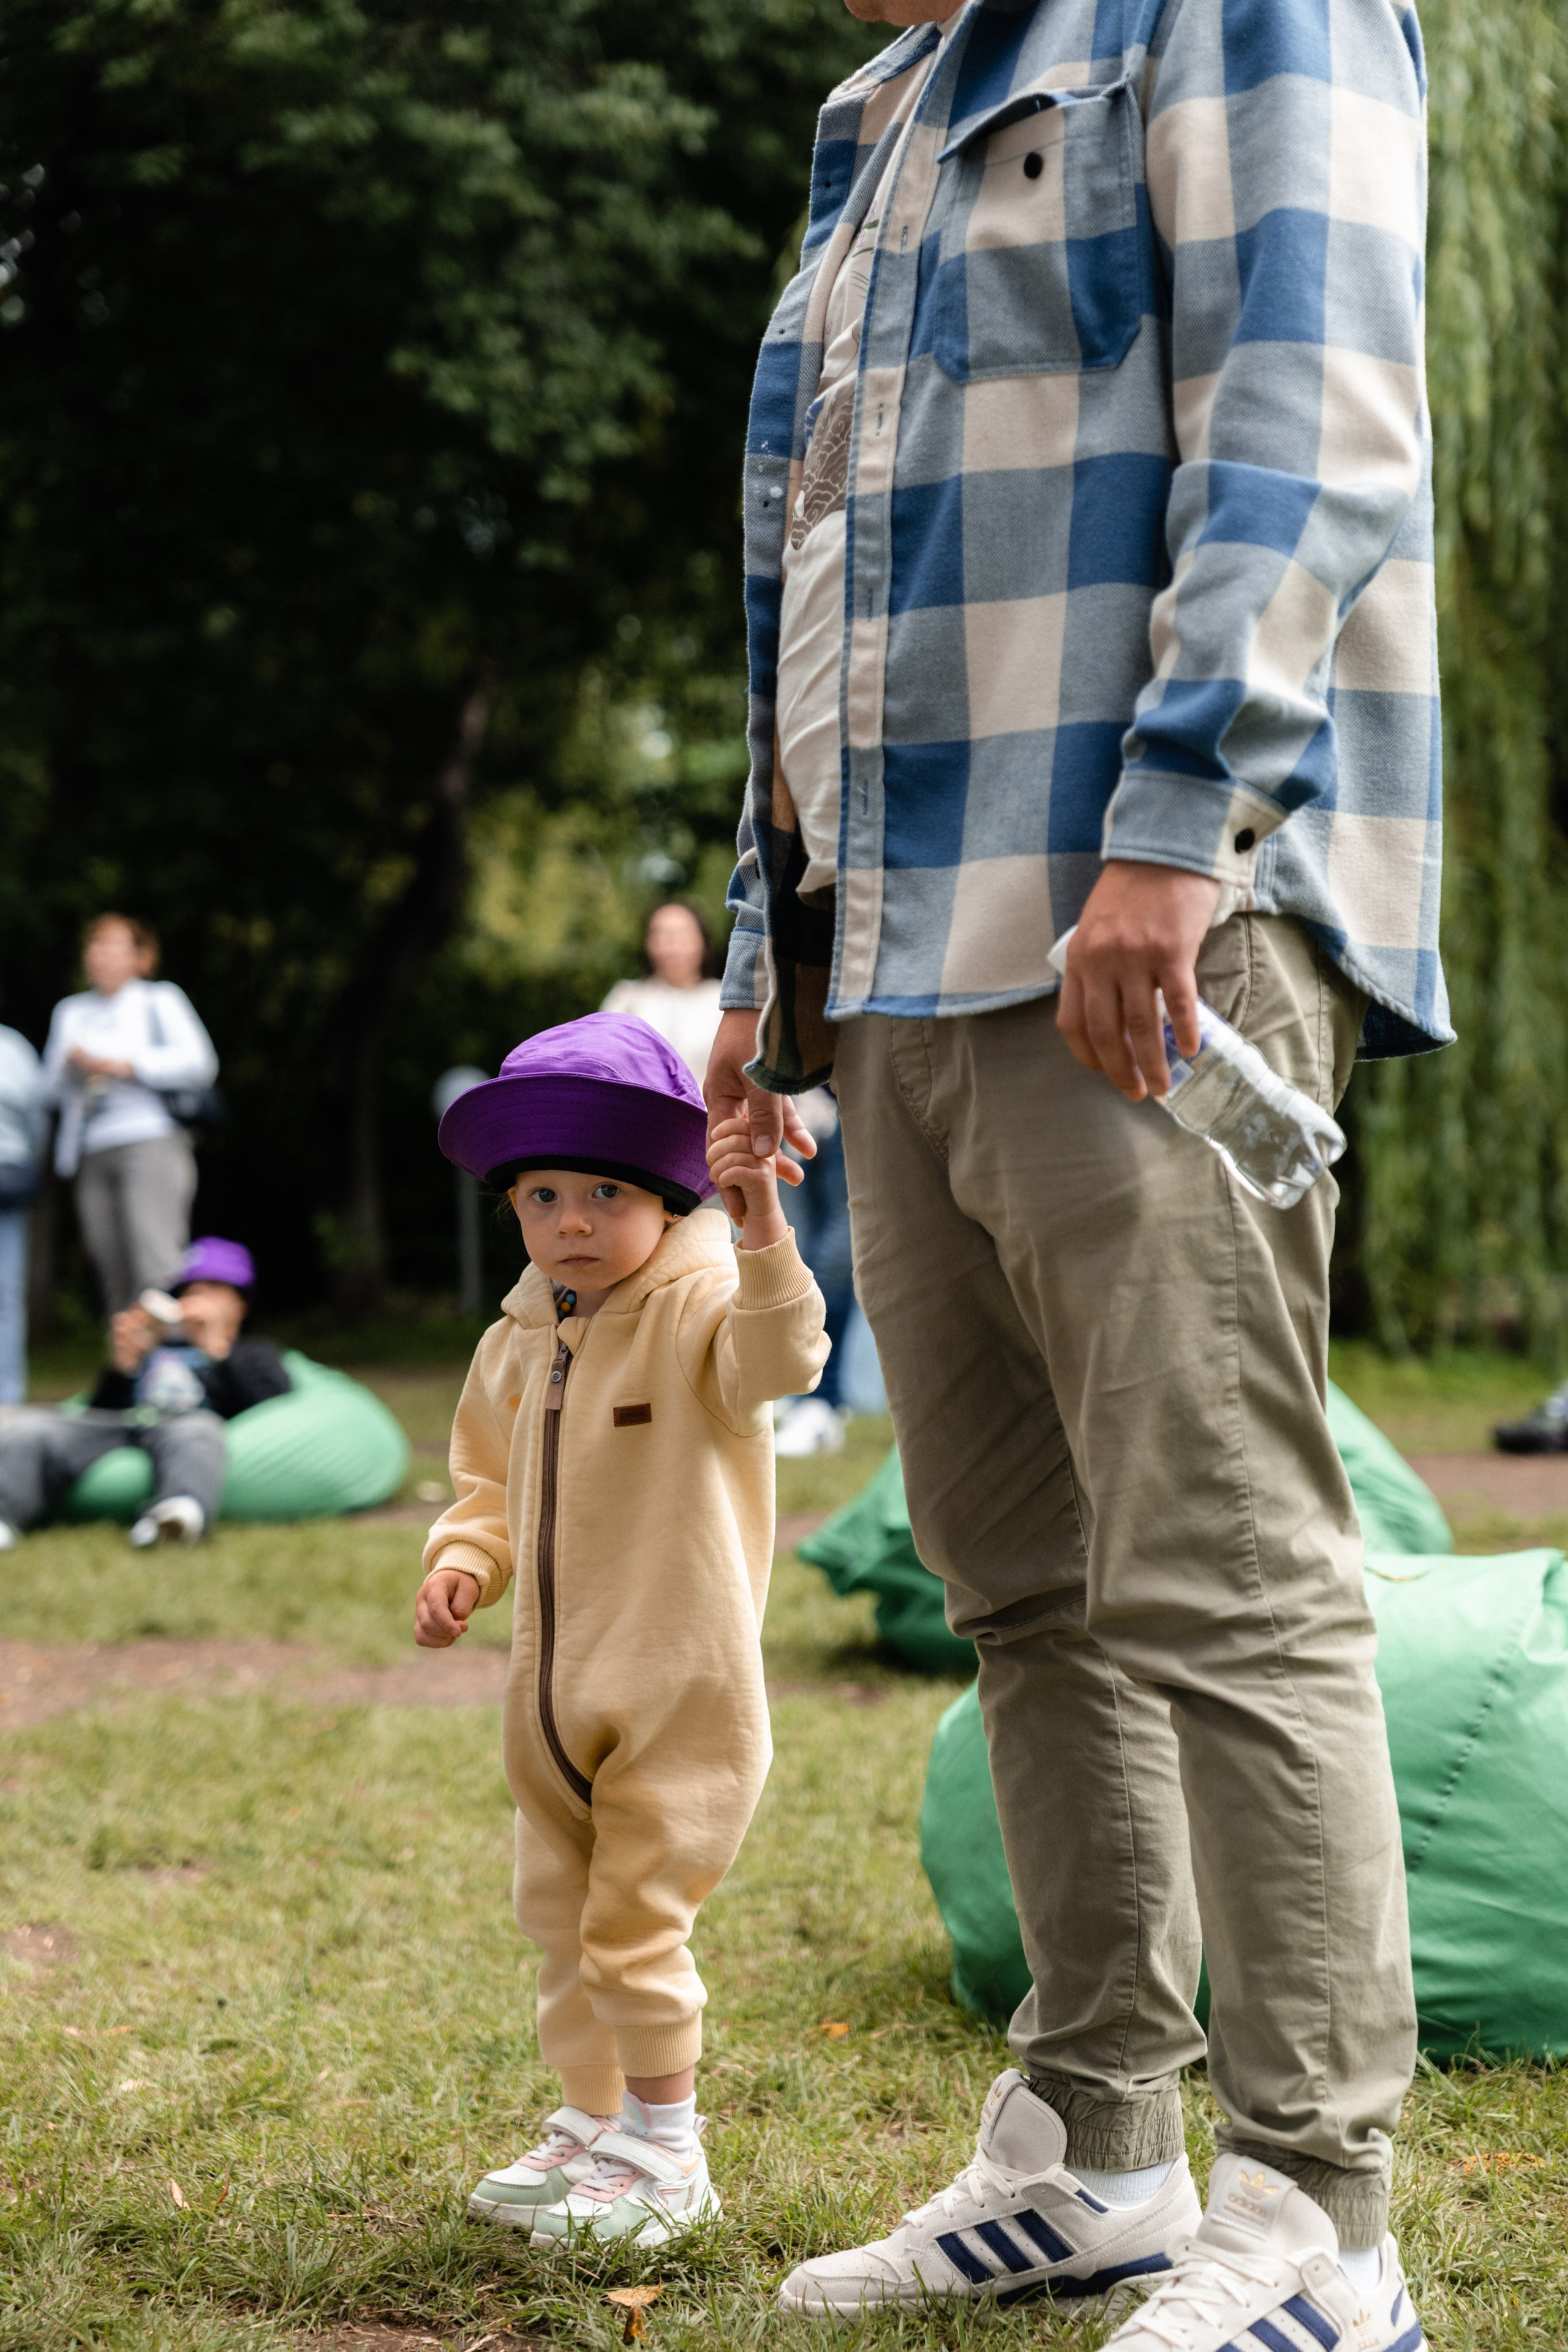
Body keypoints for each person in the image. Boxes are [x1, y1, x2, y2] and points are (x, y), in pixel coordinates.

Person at [706, 0, 1444, 2339]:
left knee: (1215, 1570)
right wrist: (770, 941)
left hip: (1144, 919)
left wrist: (1174, 831)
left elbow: (1307, 420)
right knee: (1011, 1580)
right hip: (904, 963)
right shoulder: (877, 117)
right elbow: (819, 565)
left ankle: (1322, 2221)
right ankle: (1094, 2139)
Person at [415, 1012, 827, 2248]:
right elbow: (485, 1488)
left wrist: (757, 1230)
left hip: (675, 1689)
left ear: (667, 1196)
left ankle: (669, 2149)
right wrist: (459, 1562)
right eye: (542, 1197)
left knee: (637, 1923)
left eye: (604, 1192)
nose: (573, 1223)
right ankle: (594, 2128)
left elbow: (784, 1357)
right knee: (560, 1920)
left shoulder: (702, 1305)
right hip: (547, 1698)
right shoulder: (514, 1339)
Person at [0, 1236, 288, 1551]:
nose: (200, 1296)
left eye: (215, 1288)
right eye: (192, 1290)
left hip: (183, 1425)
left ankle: (177, 1514)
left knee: (200, 1430)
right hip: (124, 1423)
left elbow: (271, 1403)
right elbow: (98, 1410)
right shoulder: (161, 1347)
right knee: (34, 1427)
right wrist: (123, 1366)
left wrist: (217, 1351)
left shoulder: (253, 1353)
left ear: (241, 1304)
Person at [44, 913, 218, 1314]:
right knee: (110, 1267)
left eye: (113, 945)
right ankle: (129, 1370)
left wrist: (126, 1064)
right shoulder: (71, 1012)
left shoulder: (159, 1000)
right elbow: (48, 1090)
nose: (100, 954)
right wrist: (73, 1068)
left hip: (150, 1139)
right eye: (95, 944)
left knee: (156, 1262)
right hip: (90, 1147)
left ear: (141, 957)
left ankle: (171, 1367)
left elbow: (200, 1063)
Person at [774, 1087, 855, 1456]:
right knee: (799, 1256)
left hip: (851, 1100)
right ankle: (799, 1390)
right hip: (800, 1100)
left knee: (834, 1262)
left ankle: (821, 1401)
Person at [601, 902, 724, 1092]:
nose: (672, 944)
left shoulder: (725, 1001)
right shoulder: (625, 999)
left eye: (682, 934)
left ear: (703, 943)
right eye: (661, 934)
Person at [0, 1017, 47, 1406]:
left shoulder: (13, 1048)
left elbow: (38, 1120)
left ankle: (6, 1399)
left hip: (6, 1182)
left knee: (6, 1293)